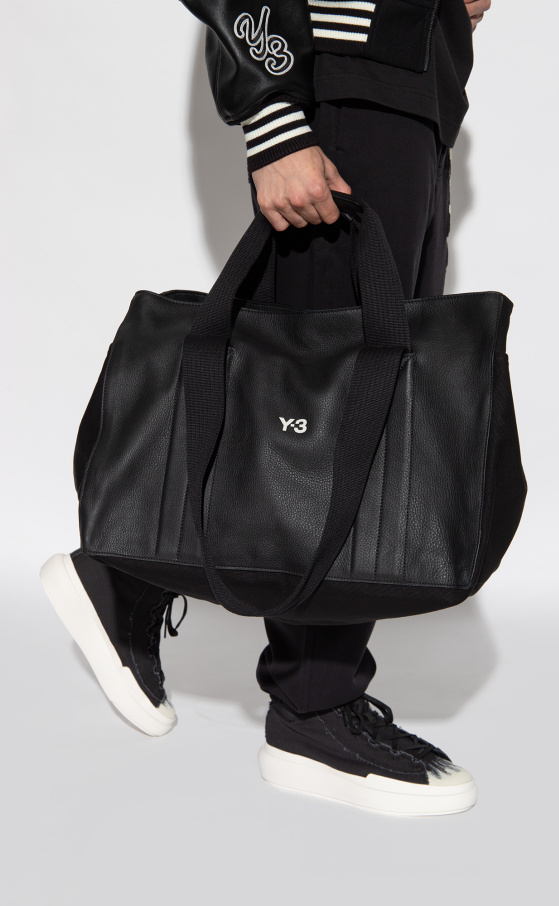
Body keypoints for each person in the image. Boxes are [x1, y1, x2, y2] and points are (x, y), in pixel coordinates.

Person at [40, 0, 491, 817]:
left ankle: (130, 575)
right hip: (339, 88)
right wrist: (275, 117)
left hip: (408, 93)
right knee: (338, 404)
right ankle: (314, 707)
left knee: (361, 403)